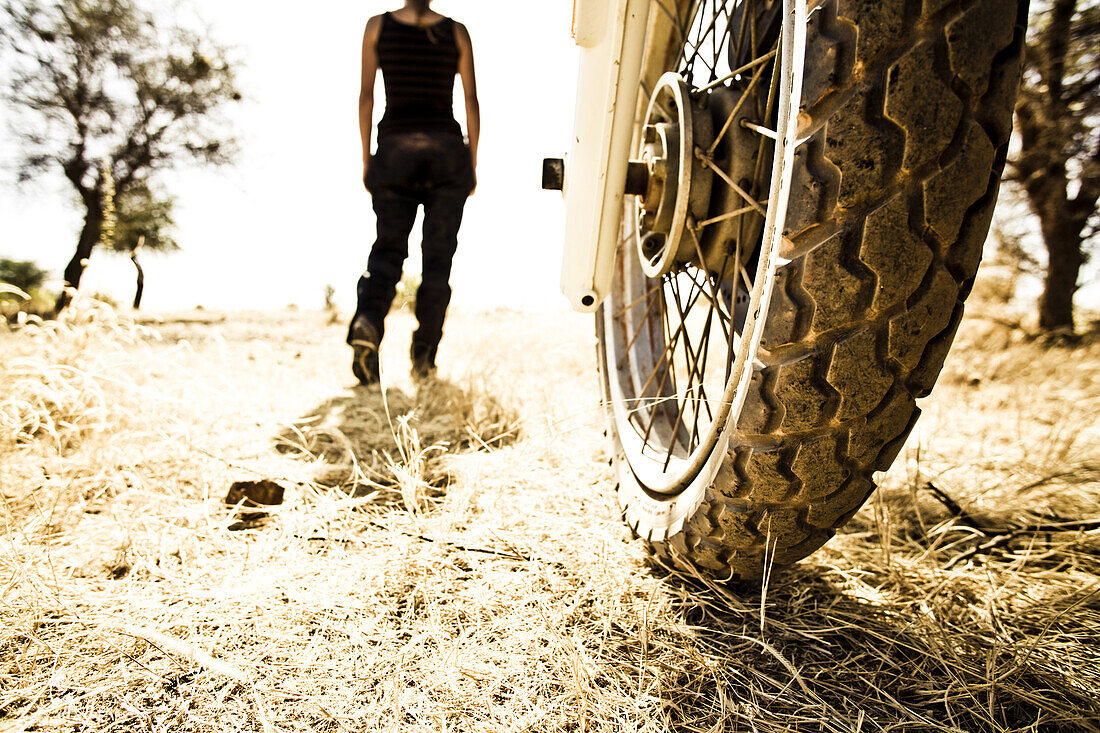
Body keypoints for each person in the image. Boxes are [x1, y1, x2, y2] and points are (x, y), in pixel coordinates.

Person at [348, 0, 479, 384]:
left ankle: (368, 323)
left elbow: (366, 97)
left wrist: (367, 158)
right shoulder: (457, 31)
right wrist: (471, 161)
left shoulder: (377, 27)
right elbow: (470, 101)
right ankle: (424, 360)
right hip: (446, 152)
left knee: (388, 250)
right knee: (438, 261)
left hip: (394, 150)